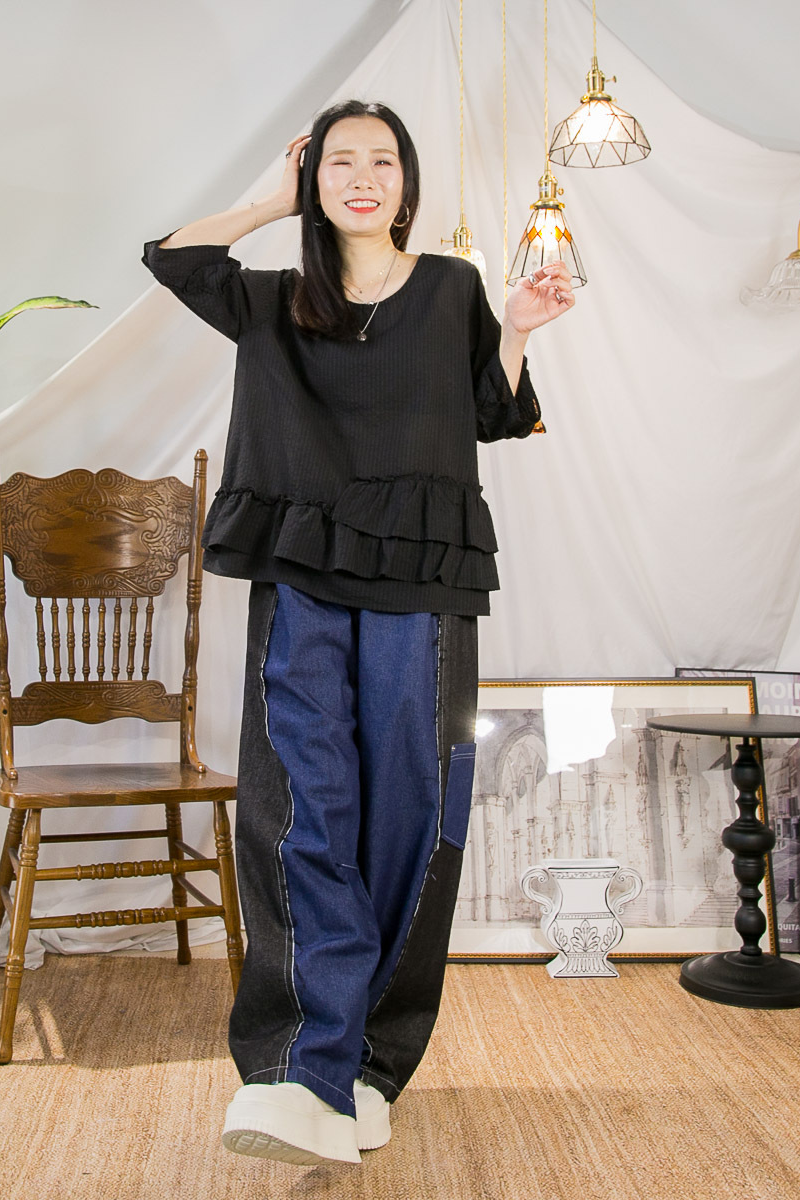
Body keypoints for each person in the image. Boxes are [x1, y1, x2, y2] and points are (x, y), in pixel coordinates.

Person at [143, 98, 574, 1167]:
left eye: (383, 160)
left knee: (412, 813)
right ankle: (301, 1071)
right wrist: (269, 200)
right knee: (302, 809)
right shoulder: (271, 299)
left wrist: (519, 326)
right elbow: (172, 257)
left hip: (423, 581)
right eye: (340, 162)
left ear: (407, 182)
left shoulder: (451, 288)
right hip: (301, 579)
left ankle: (370, 1066)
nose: (363, 176)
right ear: (314, 180)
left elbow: (494, 412)